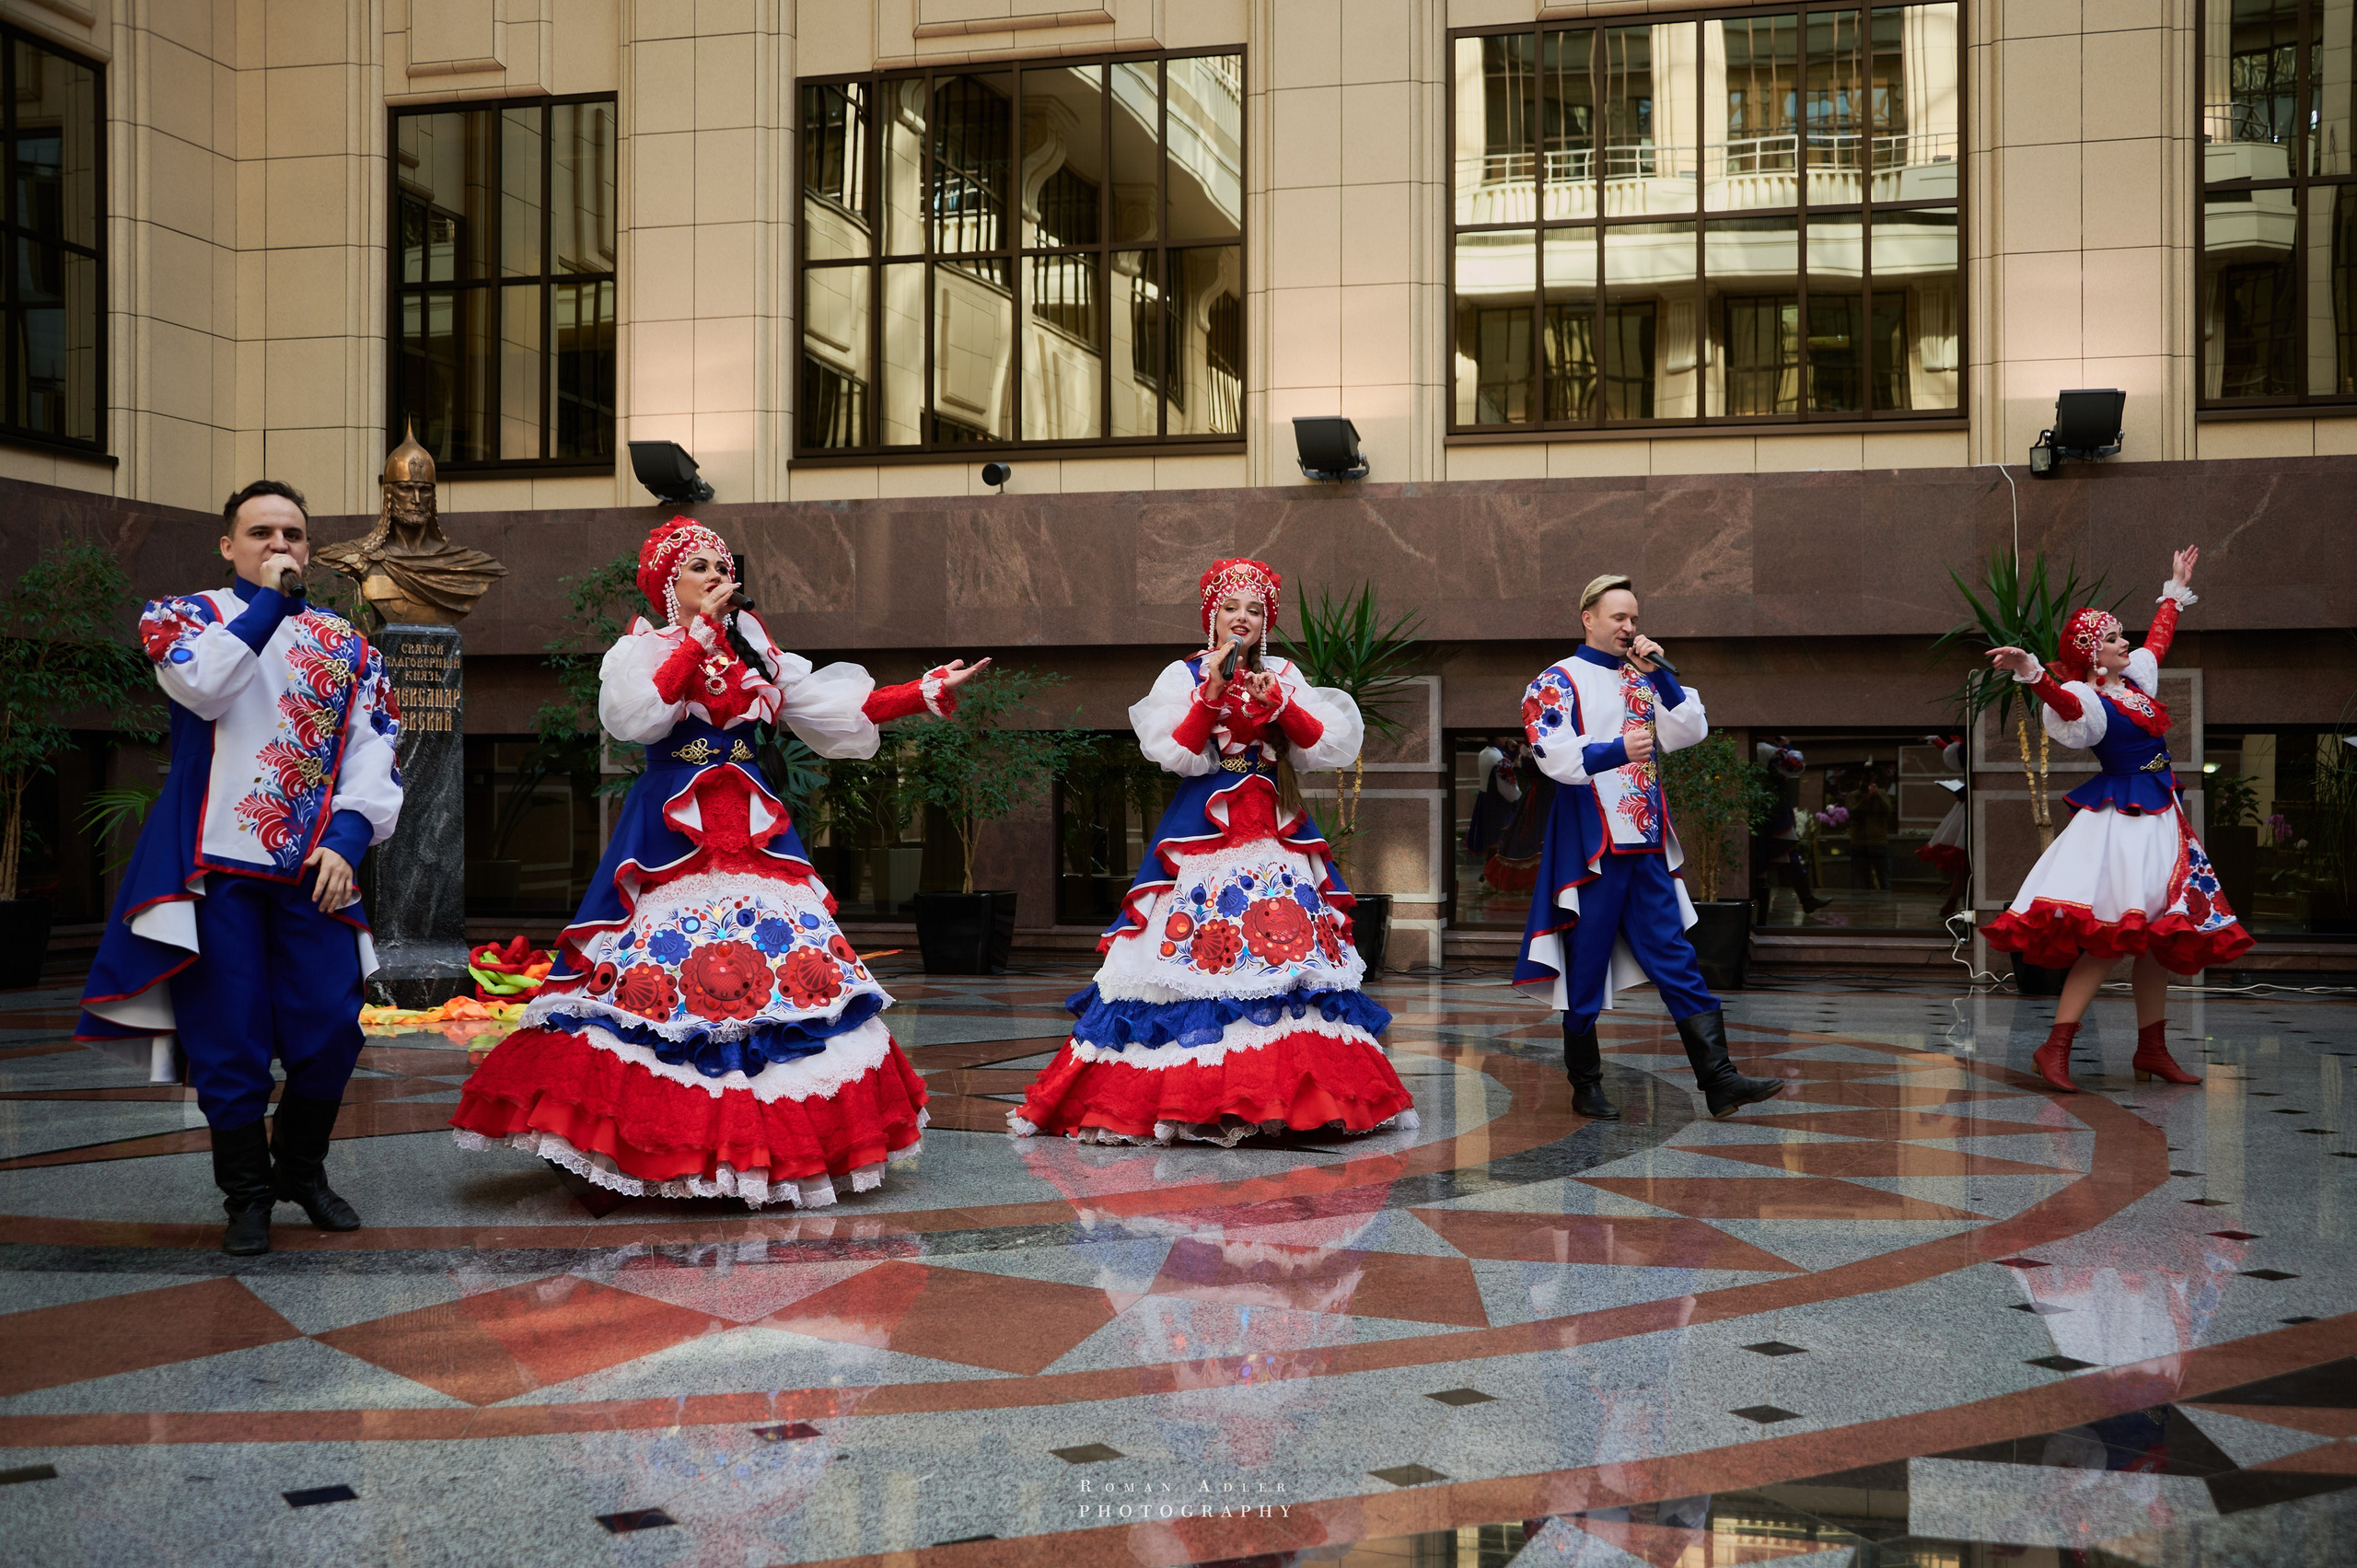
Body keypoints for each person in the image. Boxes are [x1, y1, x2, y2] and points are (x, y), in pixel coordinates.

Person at [449, 517, 988, 1205]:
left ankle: (759, 1151)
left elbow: (826, 706)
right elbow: (637, 718)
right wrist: (697, 636)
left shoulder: (755, 647)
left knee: (781, 984)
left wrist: (922, 692)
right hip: (673, 833)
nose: (715, 574)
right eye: (698, 566)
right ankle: (641, 1146)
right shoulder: (641, 649)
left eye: (719, 565)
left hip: (753, 830)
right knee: (658, 986)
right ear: (667, 585)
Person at [75, 481, 404, 1256]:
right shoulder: (184, 618)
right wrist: (267, 606)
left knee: (330, 1028)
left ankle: (300, 1163)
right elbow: (205, 684)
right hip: (212, 869)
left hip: (313, 866)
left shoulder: (349, 643)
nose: (279, 546)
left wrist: (349, 838)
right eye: (261, 533)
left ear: (310, 548)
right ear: (229, 546)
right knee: (229, 1037)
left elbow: (374, 751)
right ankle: (248, 1195)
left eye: (293, 534)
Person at [1009, 558, 1413, 1146]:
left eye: (1254, 610)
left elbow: (1322, 746)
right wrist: (1212, 693)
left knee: (1285, 959)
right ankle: (1191, 1097)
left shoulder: (1285, 675)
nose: (1242, 618)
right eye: (1231, 608)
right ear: (1213, 617)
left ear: (1266, 621)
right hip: (1204, 832)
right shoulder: (1183, 676)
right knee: (1189, 957)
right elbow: (1176, 754)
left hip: (1274, 831)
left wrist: (1280, 704)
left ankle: (1296, 1098)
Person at [1513, 574, 1782, 1121]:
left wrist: (1662, 679)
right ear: (1588, 618)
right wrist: (1617, 749)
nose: (1630, 628)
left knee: (1676, 957)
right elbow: (1550, 754)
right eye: (1619, 618)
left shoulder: (1644, 678)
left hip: (1647, 840)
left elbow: (1689, 731)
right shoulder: (1556, 681)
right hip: (1593, 845)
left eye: (1634, 619)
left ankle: (1721, 1080)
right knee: (1585, 962)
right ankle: (1585, 1083)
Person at [1981, 546, 2253, 1091]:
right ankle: (2054, 1046)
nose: (2123, 642)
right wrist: (2031, 672)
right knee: (2111, 938)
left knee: (2158, 937)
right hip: (2122, 823)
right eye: (2110, 639)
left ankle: (2151, 1049)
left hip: (2161, 820)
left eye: (2119, 635)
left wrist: (2173, 589)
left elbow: (2157, 641)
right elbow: (2061, 700)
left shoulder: (2136, 684)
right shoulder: (2088, 699)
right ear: (2091, 655)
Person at [1751, 737, 1829, 919]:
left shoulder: (1759, 749)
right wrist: (1787, 745)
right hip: (1772, 812)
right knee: (1781, 853)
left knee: (1784, 855)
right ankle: (1804, 900)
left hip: (1764, 811)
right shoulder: (1767, 750)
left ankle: (1806, 899)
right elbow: (1796, 765)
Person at [1917, 734, 1969, 920]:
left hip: (1967, 807)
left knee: (1964, 862)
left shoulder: (1964, 747)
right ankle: (1955, 901)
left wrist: (1936, 741)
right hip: (1967, 807)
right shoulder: (1964, 747)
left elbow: (1954, 755)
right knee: (1965, 862)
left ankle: (1954, 901)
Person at [1848, 772, 1896, 892]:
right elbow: (1853, 814)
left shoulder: (1882, 794)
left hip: (1879, 842)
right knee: (1860, 882)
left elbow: (1888, 811)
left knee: (1884, 880)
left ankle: (1886, 908)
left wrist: (1878, 796)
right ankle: (1859, 908)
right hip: (1859, 843)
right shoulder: (1853, 796)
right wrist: (1865, 799)